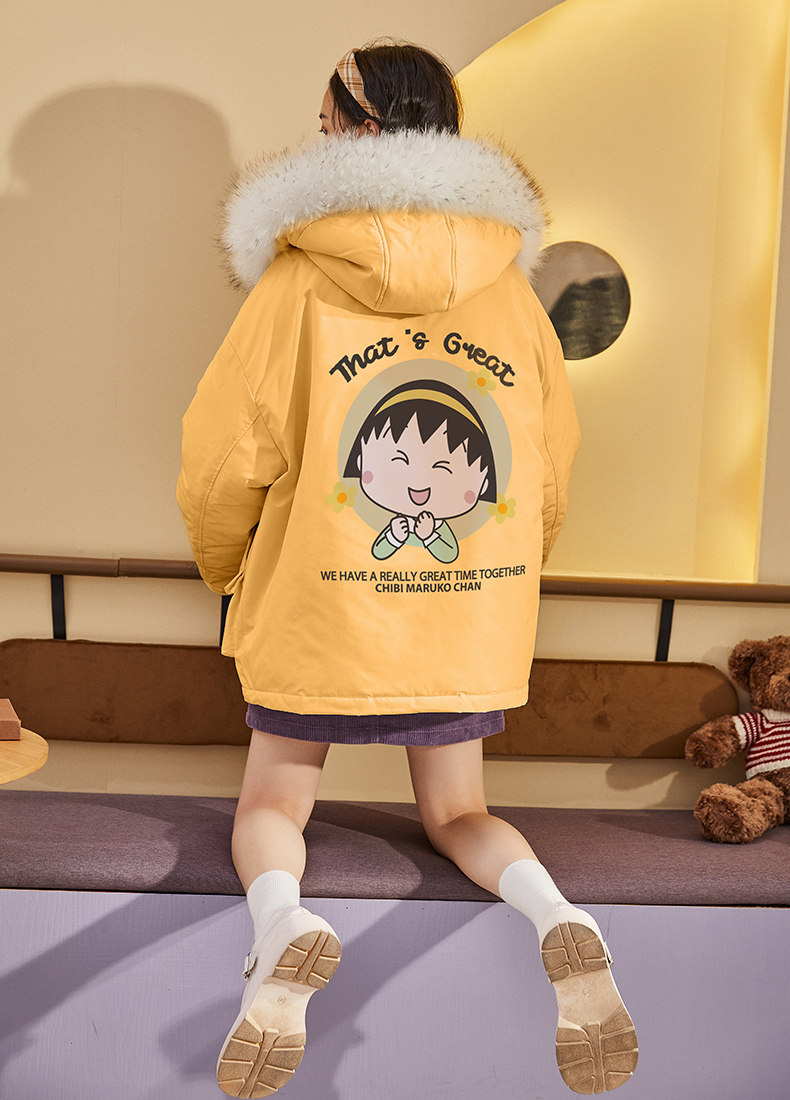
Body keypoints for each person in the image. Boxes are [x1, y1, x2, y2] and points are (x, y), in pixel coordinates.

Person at [177, 40, 638, 1097]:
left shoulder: (296, 280)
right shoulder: (509, 288)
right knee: (460, 814)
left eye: (325, 122)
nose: (317, 137)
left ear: (358, 129)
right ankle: (555, 914)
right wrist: (504, 581)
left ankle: (283, 923)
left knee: (272, 803)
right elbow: (549, 461)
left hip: (320, 606)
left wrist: (222, 565)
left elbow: (225, 453)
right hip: (462, 614)